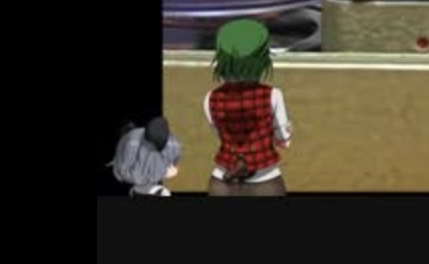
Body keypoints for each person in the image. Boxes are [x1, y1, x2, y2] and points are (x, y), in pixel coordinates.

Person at [204, 18, 293, 196]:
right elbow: (283, 139)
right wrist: (284, 137)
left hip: (222, 180)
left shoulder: (210, 98)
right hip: (265, 179)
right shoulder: (273, 95)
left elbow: (220, 133)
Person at [109, 117, 182, 197]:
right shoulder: (131, 143)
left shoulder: (173, 144)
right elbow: (124, 173)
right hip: (129, 171)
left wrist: (173, 168)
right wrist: (163, 173)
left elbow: (175, 161)